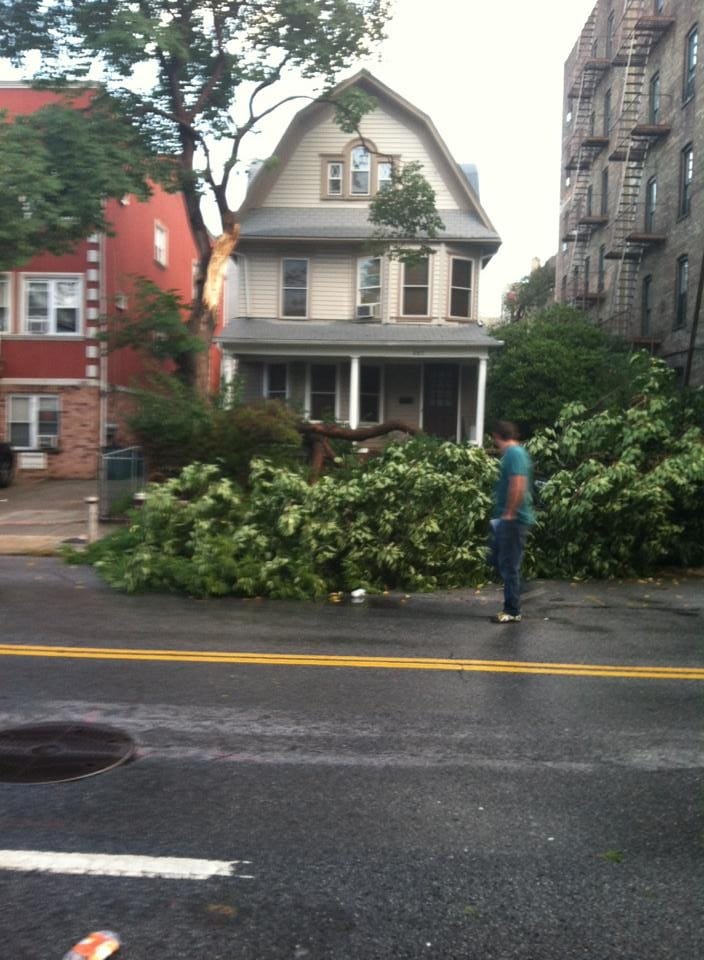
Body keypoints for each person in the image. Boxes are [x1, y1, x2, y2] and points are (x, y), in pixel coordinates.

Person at [489, 421, 535, 623]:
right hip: (507, 519)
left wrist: (509, 513)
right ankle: (519, 588)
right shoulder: (513, 453)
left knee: (508, 565)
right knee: (496, 558)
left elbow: (518, 484)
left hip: (513, 520)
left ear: (497, 436)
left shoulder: (515, 454)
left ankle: (512, 610)